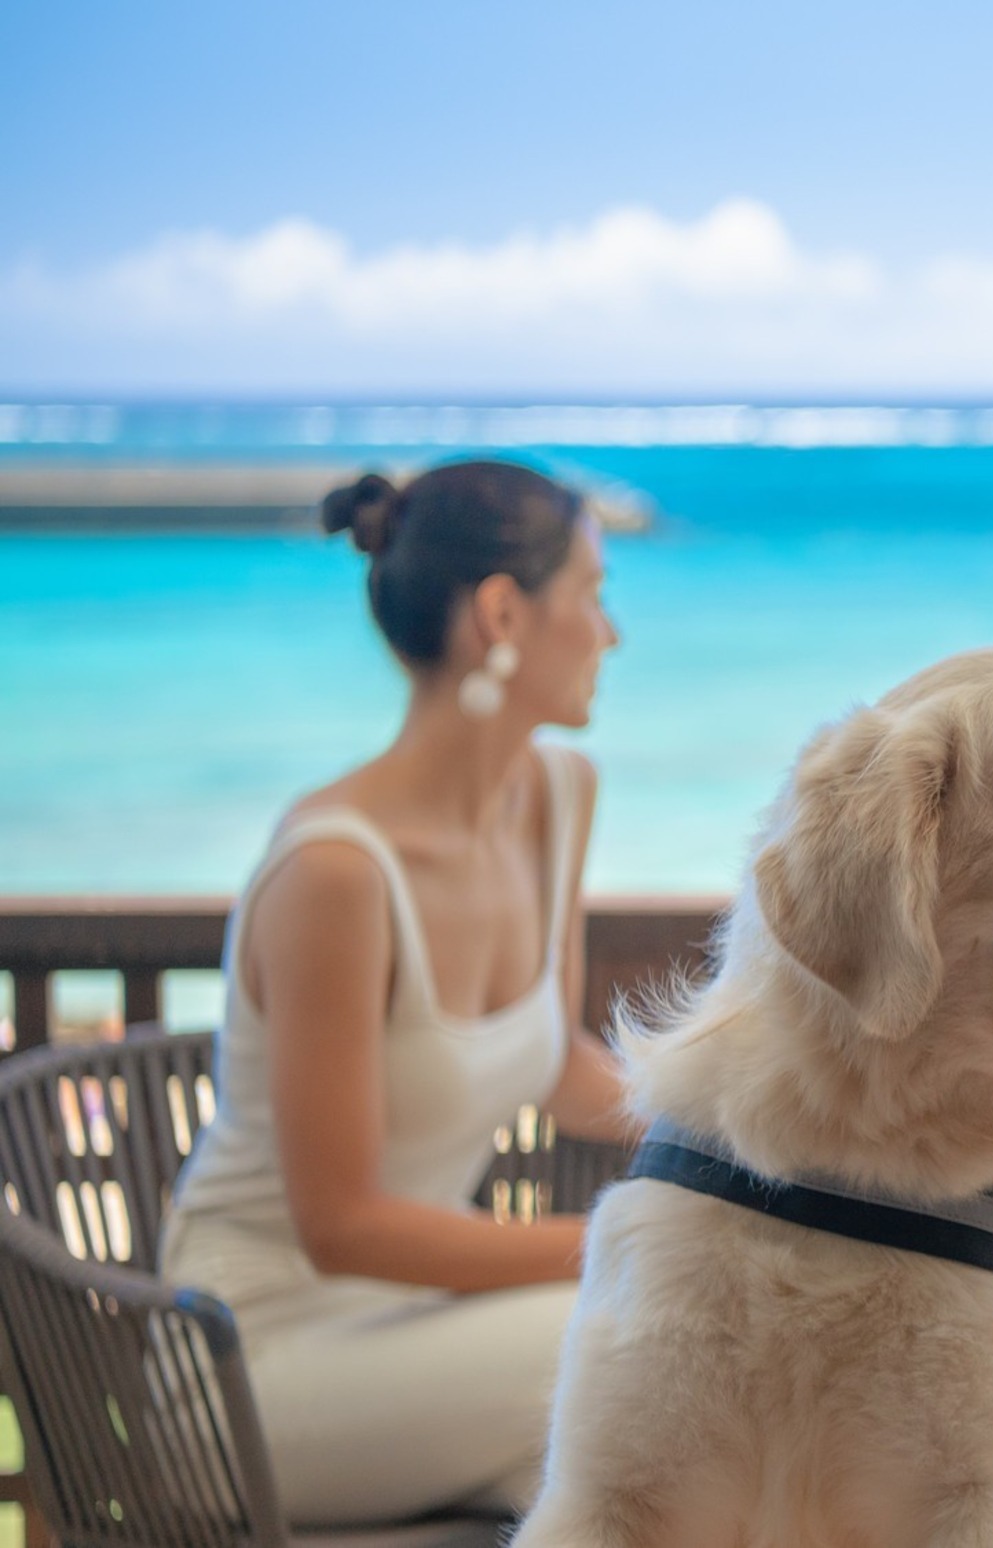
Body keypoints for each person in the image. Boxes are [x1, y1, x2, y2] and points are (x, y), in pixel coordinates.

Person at [161, 459, 636, 1526]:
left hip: (431, 1340)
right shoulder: (337, 873)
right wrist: (626, 1235)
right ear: (504, 613)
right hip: (253, 1362)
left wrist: (734, 1145)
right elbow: (343, 1227)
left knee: (646, 1474)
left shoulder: (559, 796)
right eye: (593, 596)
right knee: (640, 1336)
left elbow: (556, 1066)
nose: (612, 634)